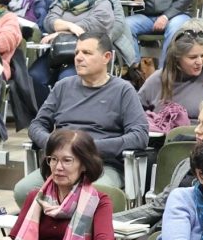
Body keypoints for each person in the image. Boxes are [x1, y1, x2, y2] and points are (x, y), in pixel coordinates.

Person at [27, 34, 145, 176]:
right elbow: (36, 126)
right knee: (24, 188)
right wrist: (56, 144)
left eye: (87, 53)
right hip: (61, 164)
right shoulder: (62, 87)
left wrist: (87, 147)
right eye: (77, 52)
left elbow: (139, 136)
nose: (78, 57)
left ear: (106, 57)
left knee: (91, 189)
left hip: (102, 164)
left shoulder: (123, 90)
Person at [1, 128, 115, 240]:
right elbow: (14, 237)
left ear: (84, 165)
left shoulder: (99, 202)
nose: (58, 167)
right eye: (54, 159)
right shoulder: (36, 197)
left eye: (67, 160)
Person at [143, 24, 203, 120]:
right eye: (192, 57)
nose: (199, 62)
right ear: (177, 58)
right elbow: (137, 112)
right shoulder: (157, 79)